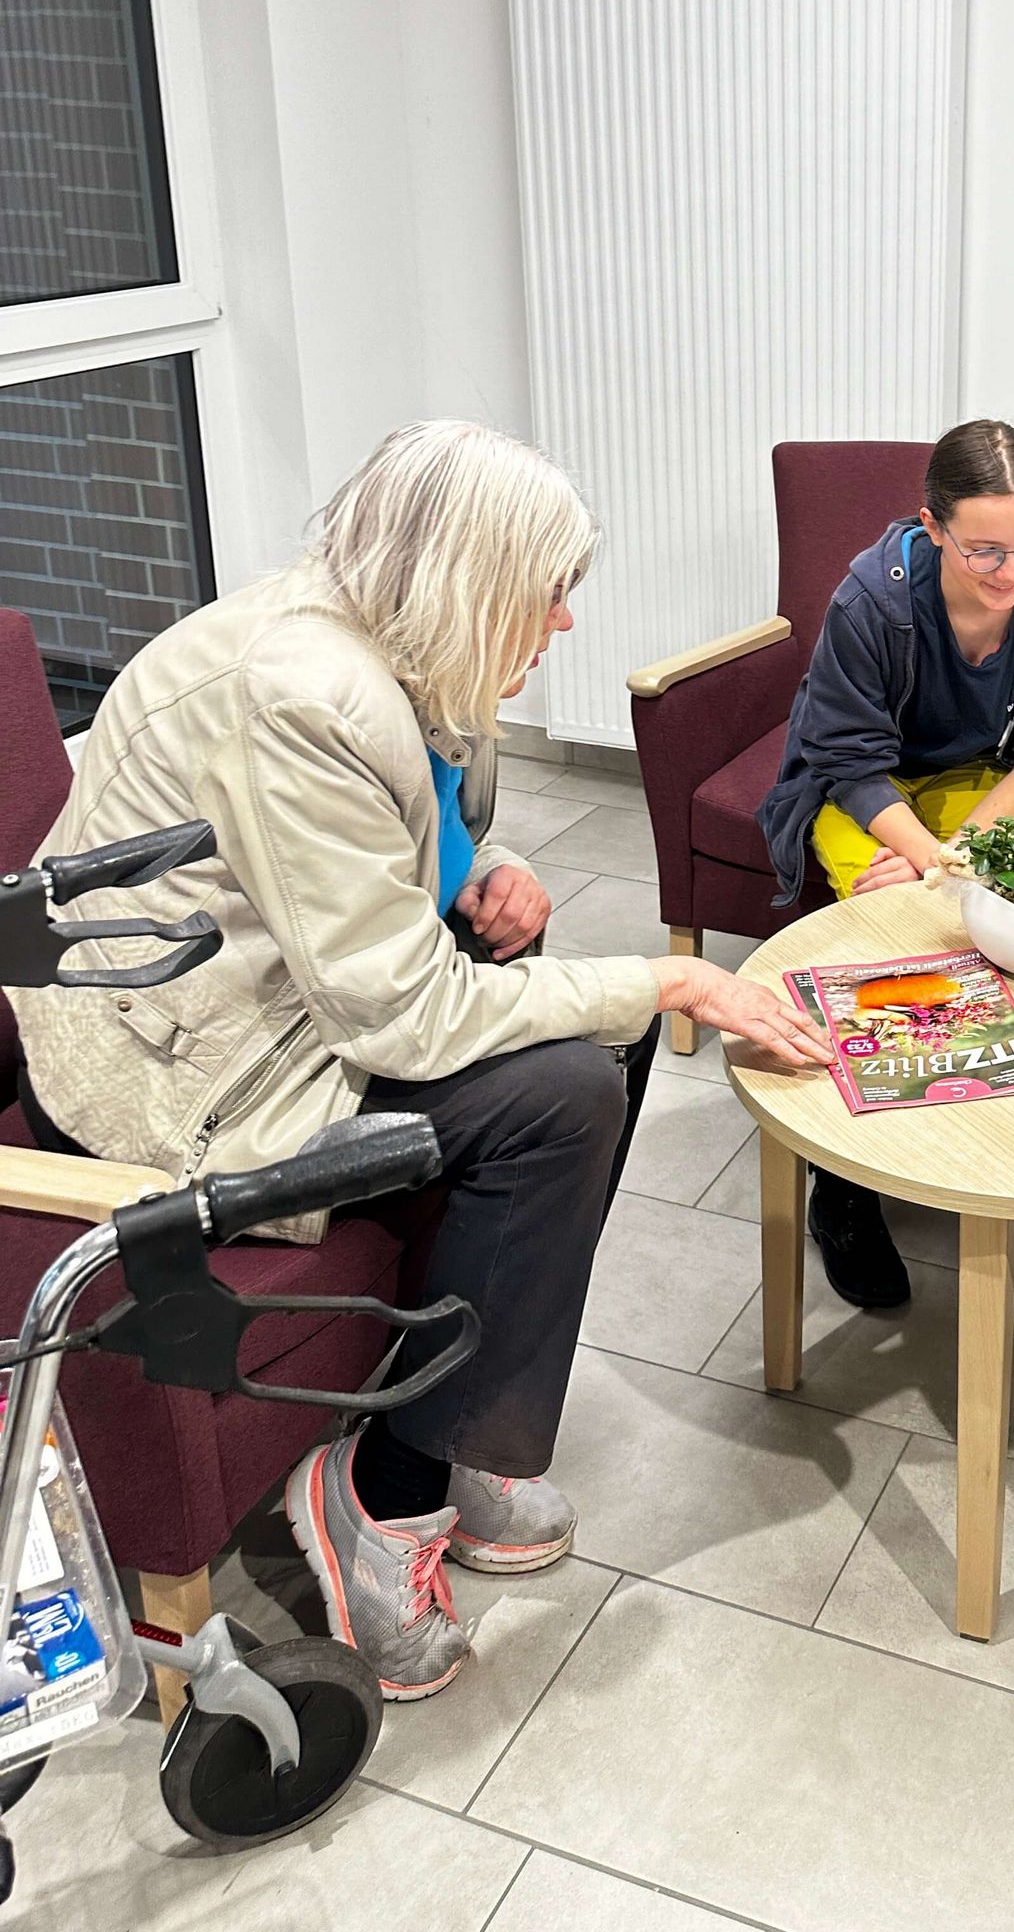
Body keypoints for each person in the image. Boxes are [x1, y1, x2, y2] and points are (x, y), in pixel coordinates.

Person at [6, 421, 825, 1703]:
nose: (559, 625)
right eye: (545, 594)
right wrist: (668, 979)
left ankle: (470, 1418)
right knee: (567, 1082)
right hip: (168, 1073)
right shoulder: (300, 692)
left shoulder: (391, 649)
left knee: (585, 1056)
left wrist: (479, 873)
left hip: (265, 1000)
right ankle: (380, 1499)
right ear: (467, 579)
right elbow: (401, 1015)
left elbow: (379, 851)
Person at [759, 419, 1014, 1306]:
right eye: (984, 550)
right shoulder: (871, 601)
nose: (1010, 572)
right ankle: (844, 1186)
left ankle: (997, 1160)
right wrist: (925, 867)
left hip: (981, 785)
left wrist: (960, 861)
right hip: (859, 783)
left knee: (997, 919)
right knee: (893, 933)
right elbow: (849, 762)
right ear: (932, 525)